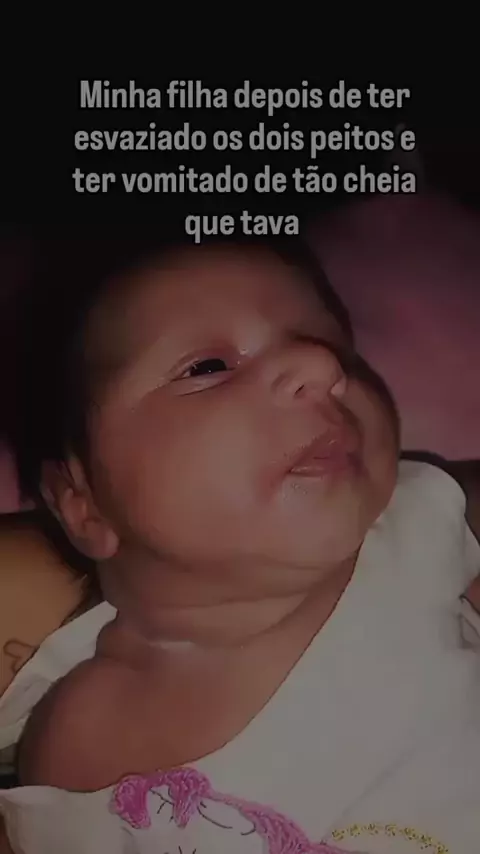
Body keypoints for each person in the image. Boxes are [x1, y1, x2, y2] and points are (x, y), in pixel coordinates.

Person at [0, 229, 479, 853]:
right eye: (208, 367)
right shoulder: (88, 743)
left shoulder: (417, 516)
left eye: (337, 347)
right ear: (82, 500)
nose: (323, 368)